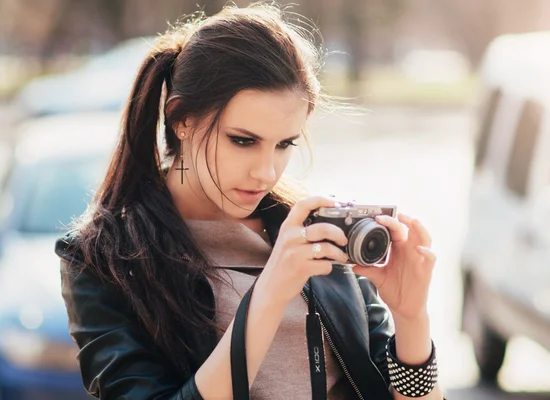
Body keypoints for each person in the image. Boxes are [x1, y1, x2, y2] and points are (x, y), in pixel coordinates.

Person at [55, 3, 445, 399]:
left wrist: (411, 318)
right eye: (243, 141)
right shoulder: (103, 258)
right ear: (181, 120)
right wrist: (269, 296)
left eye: (284, 144)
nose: (266, 171)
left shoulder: (315, 231)